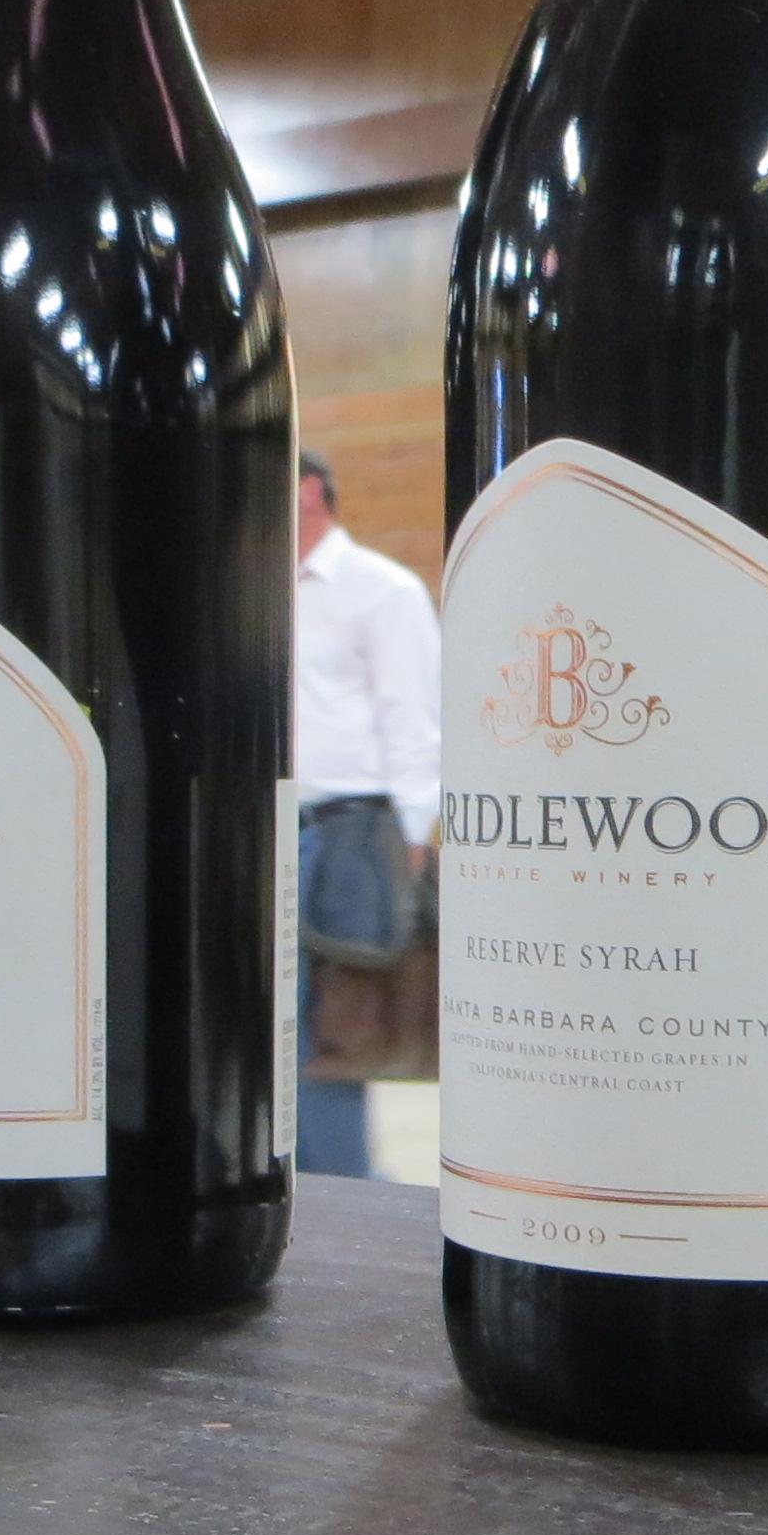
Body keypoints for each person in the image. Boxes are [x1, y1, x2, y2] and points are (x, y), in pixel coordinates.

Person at [292, 450, 440, 1176]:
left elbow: (413, 716)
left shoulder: (381, 589)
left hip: (350, 830)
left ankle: (340, 1186)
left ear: (309, 491)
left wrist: (410, 835)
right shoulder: (258, 587)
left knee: (332, 1022)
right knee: (262, 1020)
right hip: (267, 825)